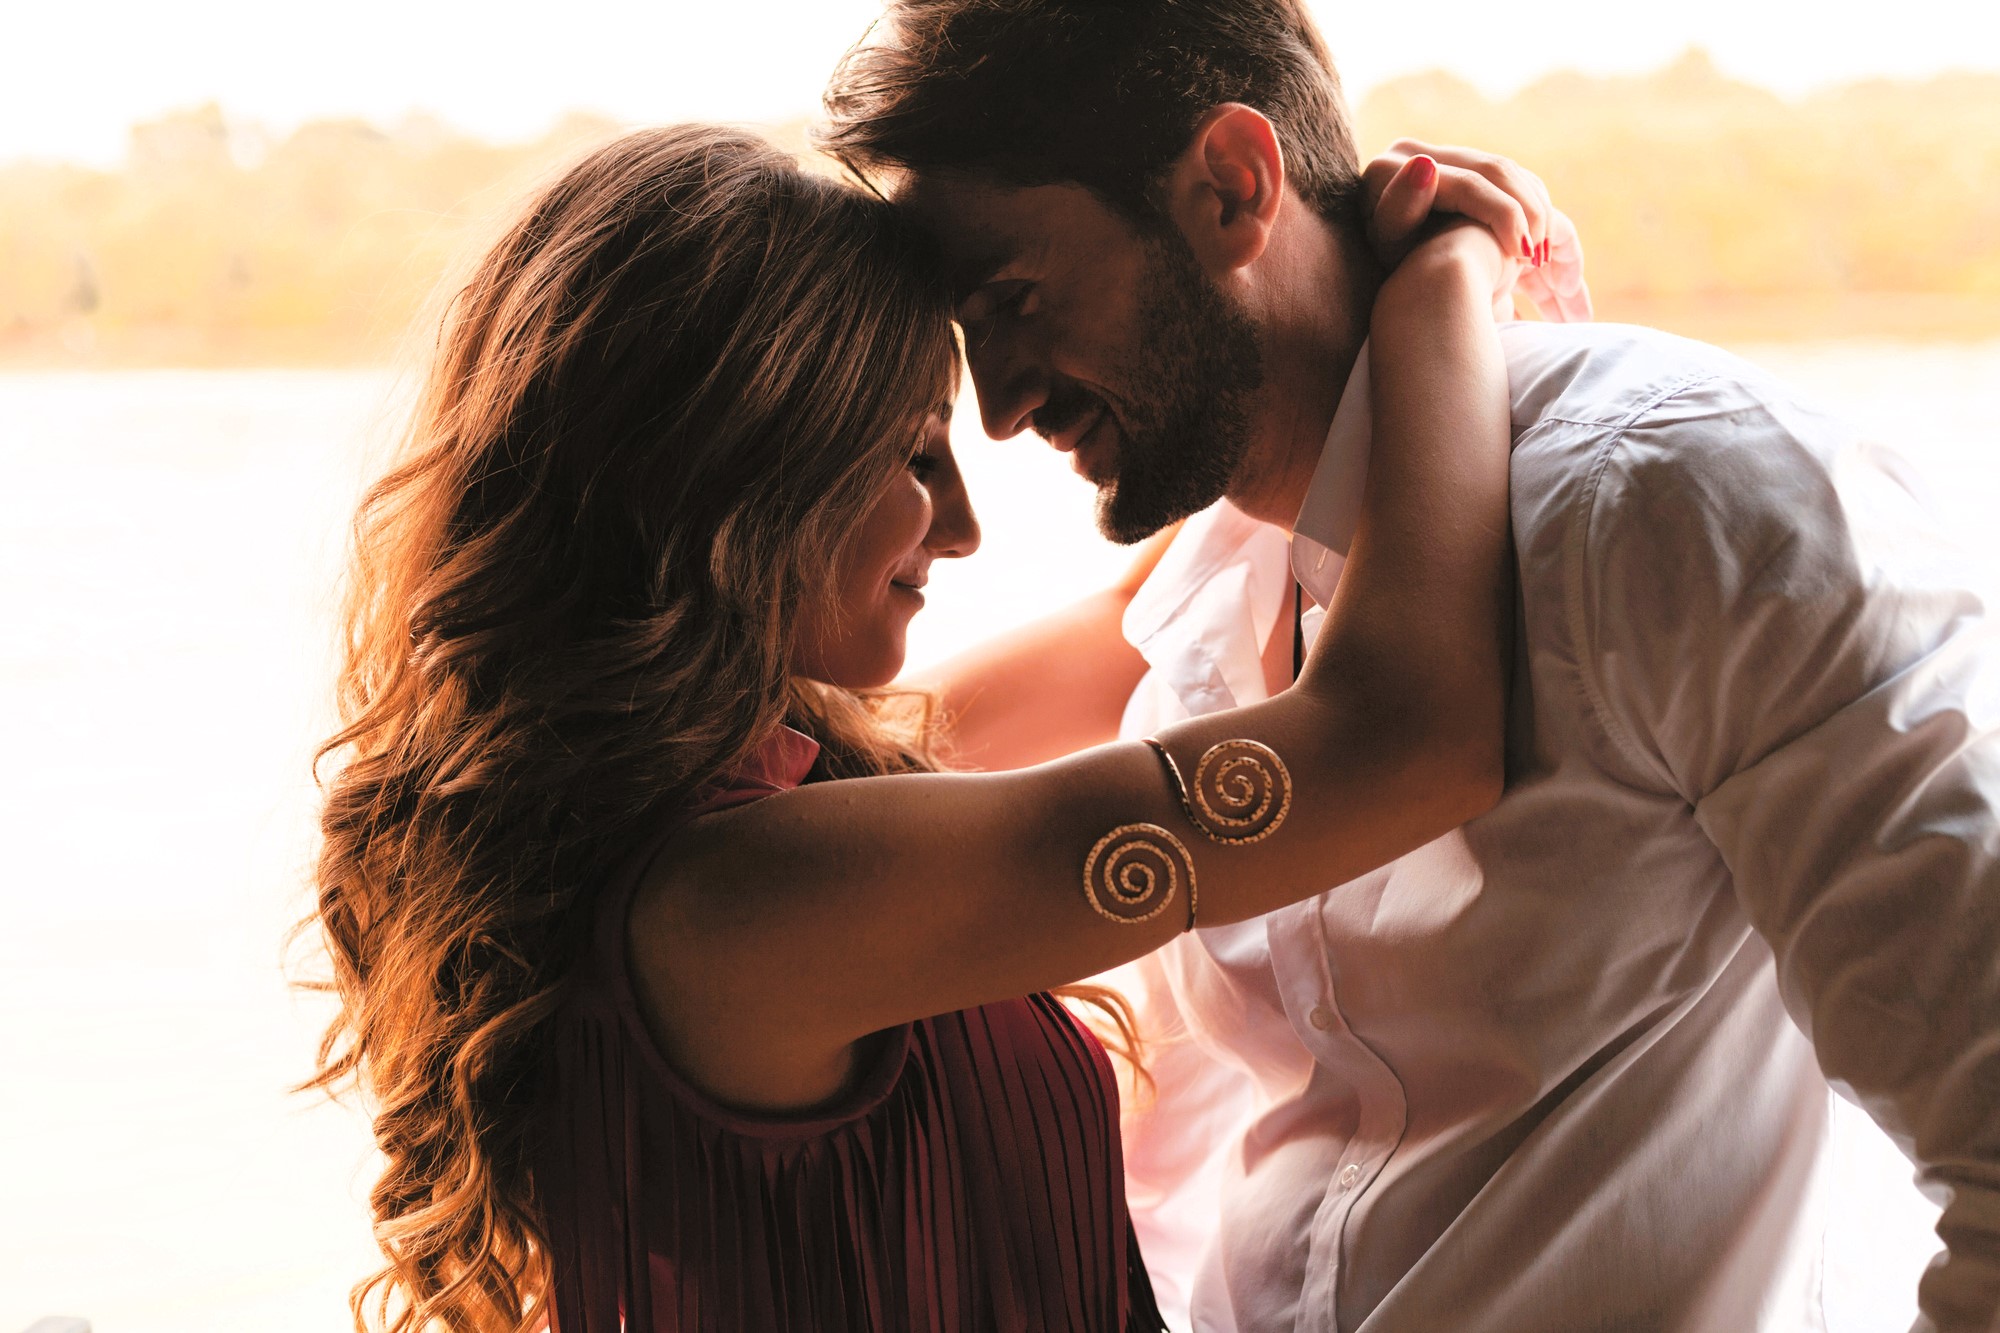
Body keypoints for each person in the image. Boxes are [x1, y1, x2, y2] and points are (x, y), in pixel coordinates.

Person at [820, 3, 2000, 1330]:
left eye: (1016, 303)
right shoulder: (1198, 611)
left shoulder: (1686, 507)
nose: (1001, 407)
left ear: (1230, 186)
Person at [304, 121, 1548, 1332]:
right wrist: (1441, 278)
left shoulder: (708, 802)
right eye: (911, 455)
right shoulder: (756, 899)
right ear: (738, 474)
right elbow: (1403, 740)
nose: (959, 527)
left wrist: (1304, 284)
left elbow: (1133, 620)